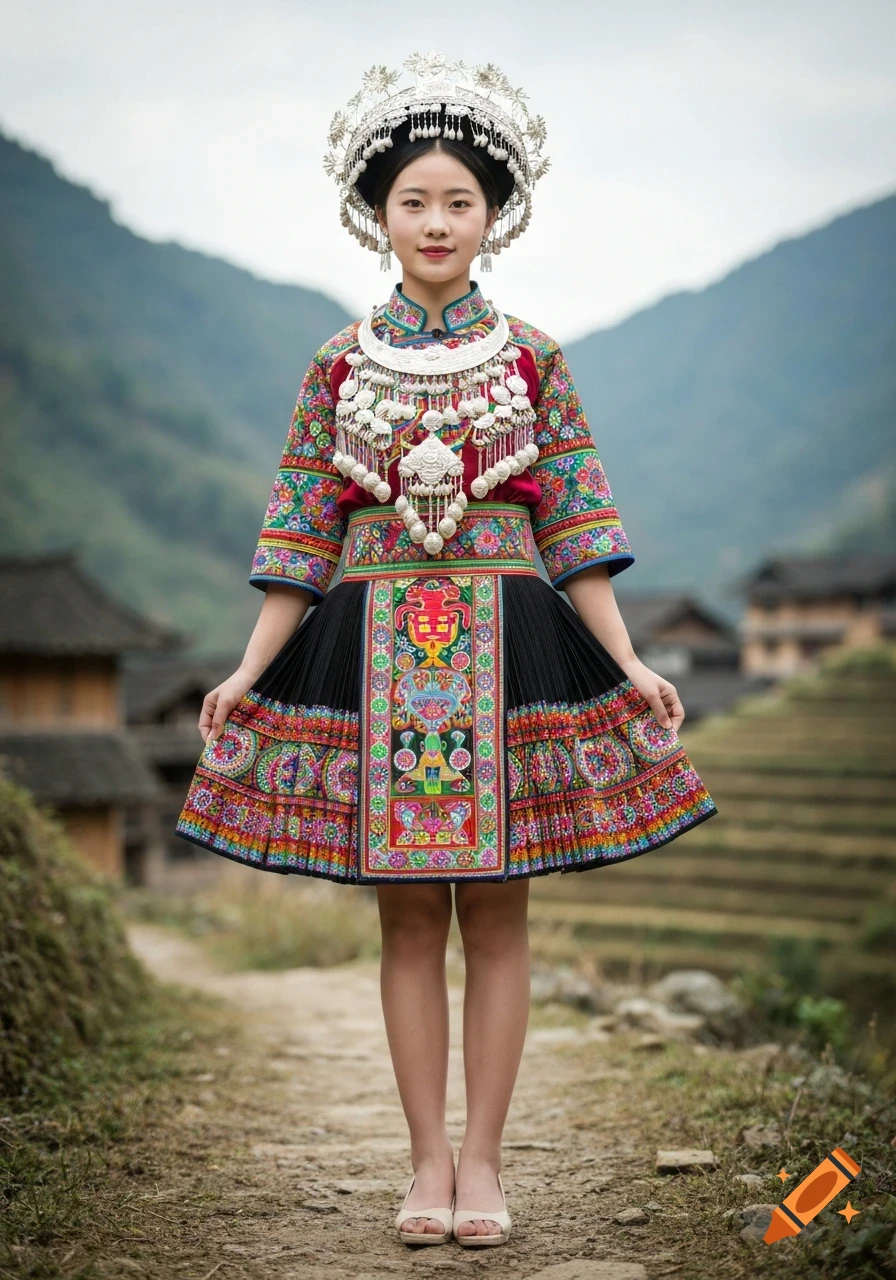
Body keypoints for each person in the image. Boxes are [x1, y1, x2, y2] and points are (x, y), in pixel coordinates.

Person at [175, 52, 719, 1250]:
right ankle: (425, 1157)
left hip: (510, 641)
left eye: (458, 201)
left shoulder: (532, 356)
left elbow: (575, 525)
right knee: (409, 916)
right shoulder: (335, 363)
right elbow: (300, 533)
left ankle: (486, 1157)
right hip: (370, 645)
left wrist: (625, 664)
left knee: (502, 916)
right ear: (378, 212)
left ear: (493, 216)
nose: (434, 221)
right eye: (413, 200)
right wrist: (246, 668)